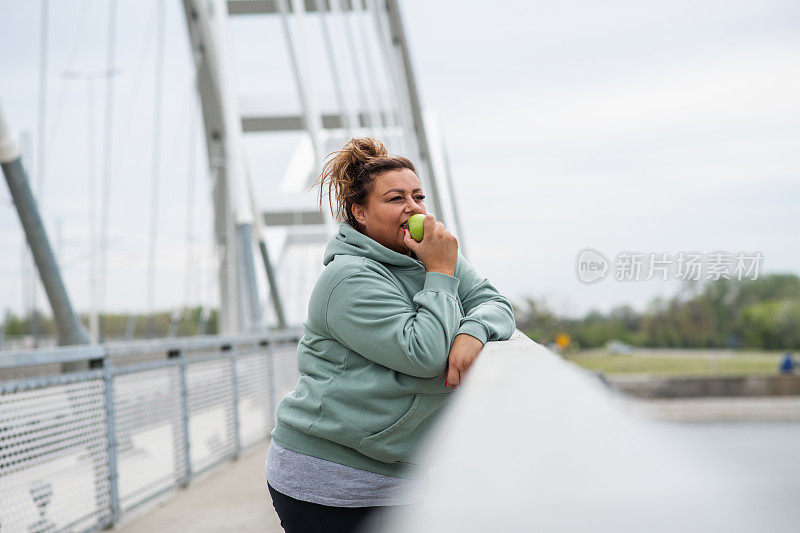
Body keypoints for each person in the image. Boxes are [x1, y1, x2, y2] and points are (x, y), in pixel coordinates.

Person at [265, 138, 516, 532]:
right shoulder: (348, 278)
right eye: (396, 198)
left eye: (418, 196)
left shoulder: (432, 254)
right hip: (327, 477)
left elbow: (494, 302)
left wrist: (474, 331)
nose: (413, 208)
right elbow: (424, 354)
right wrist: (440, 274)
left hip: (400, 471)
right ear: (360, 213)